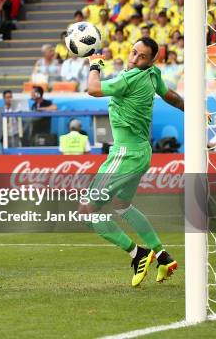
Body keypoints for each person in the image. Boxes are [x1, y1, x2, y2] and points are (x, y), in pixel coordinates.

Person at [83, 37, 184, 286]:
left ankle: (137, 254)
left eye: (141, 56)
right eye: (133, 52)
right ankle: (162, 256)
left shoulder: (130, 79)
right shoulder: (152, 75)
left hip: (125, 154)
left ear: (150, 61)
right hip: (141, 153)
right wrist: (191, 108)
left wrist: (95, 63)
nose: (134, 58)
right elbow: (170, 96)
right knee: (121, 205)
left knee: (87, 210)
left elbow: (93, 89)